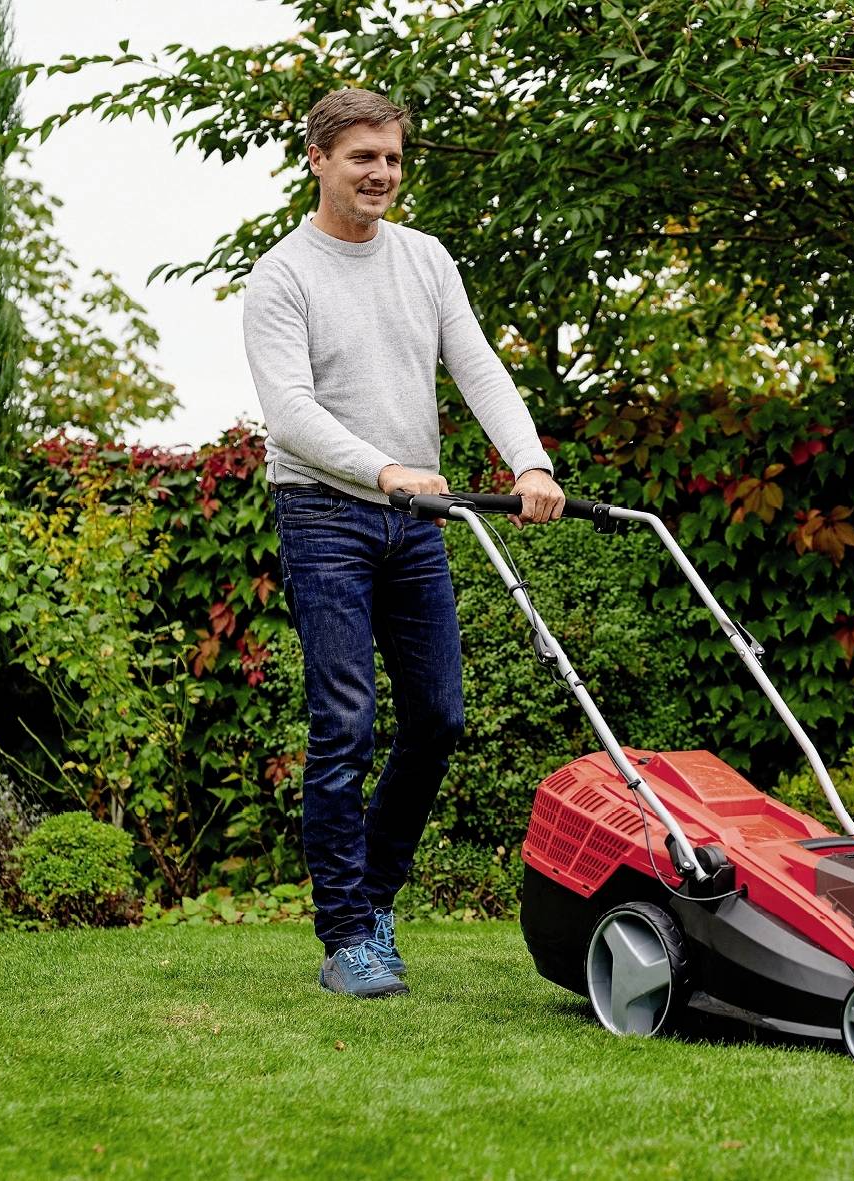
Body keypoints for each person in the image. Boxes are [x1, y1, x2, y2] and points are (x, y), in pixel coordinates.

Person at [242, 88, 565, 998]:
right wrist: (384, 468)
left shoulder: (424, 260)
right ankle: (347, 934)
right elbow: (291, 416)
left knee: (438, 719)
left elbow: (477, 366)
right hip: (323, 513)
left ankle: (372, 898)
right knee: (343, 725)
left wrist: (529, 463)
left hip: (415, 520)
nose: (380, 173)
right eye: (361, 158)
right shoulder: (282, 276)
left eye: (391, 157)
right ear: (317, 160)